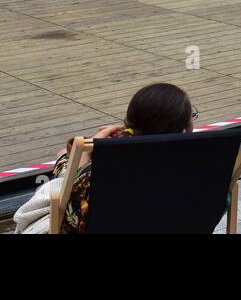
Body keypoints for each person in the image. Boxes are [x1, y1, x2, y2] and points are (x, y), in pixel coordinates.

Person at [15, 83, 196, 234]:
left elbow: (71, 217)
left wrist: (82, 157)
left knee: (63, 157)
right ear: (183, 131)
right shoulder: (207, 167)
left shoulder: (97, 176)